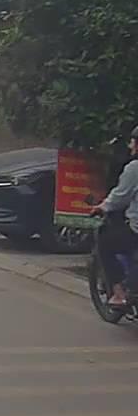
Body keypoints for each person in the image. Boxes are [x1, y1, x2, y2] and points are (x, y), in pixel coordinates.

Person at [91, 126, 138, 306]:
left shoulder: (134, 168)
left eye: (132, 142)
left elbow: (120, 197)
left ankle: (119, 294)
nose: (130, 146)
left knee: (105, 239)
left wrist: (102, 207)